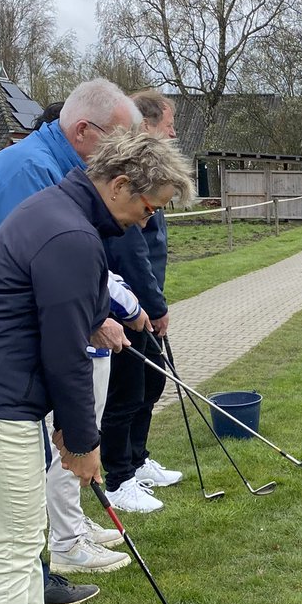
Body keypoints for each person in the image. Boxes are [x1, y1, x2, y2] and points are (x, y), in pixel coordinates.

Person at [0, 130, 194, 604]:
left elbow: (55, 309)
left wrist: (95, 319)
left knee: (23, 543)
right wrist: (82, 443)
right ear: (118, 186)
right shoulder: (71, 234)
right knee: (11, 555)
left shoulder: (62, 216)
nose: (150, 217)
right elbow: (64, 356)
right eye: (150, 204)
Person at [0, 79, 146, 604]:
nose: (124, 158)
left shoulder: (56, 169)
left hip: (5, 355)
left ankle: (41, 589)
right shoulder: (33, 172)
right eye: (120, 143)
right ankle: (38, 597)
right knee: (17, 515)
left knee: (25, 498)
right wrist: (95, 317)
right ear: (85, 131)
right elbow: (49, 283)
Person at [101, 92, 183, 513]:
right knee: (126, 392)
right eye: (168, 124)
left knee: (151, 383)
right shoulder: (130, 182)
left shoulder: (153, 175)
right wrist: (153, 305)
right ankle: (118, 478)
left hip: (143, 303)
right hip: (125, 307)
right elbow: (133, 254)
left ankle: (136, 459)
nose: (173, 132)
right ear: (148, 123)